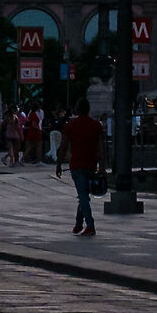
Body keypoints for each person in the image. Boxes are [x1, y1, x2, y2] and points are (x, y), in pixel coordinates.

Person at [57, 96, 105, 236]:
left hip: (77, 165)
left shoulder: (70, 125)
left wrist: (59, 164)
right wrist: (102, 165)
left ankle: (90, 225)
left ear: (77, 110)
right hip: (91, 164)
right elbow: (101, 148)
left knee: (83, 196)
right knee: (84, 195)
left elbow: (64, 146)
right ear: (88, 109)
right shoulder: (96, 125)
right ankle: (78, 224)